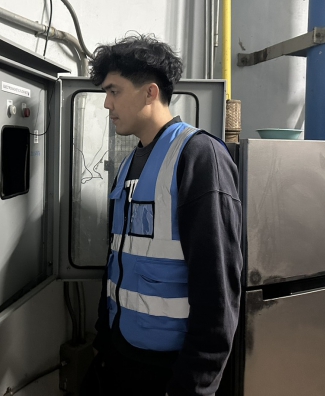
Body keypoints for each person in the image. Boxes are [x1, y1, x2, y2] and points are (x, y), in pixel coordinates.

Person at [80, 34, 242, 396]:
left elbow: (218, 286)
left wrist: (194, 385)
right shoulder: (130, 163)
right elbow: (118, 258)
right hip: (120, 355)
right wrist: (102, 341)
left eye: (114, 91)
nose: (107, 103)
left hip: (168, 370)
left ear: (150, 93)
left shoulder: (199, 156)